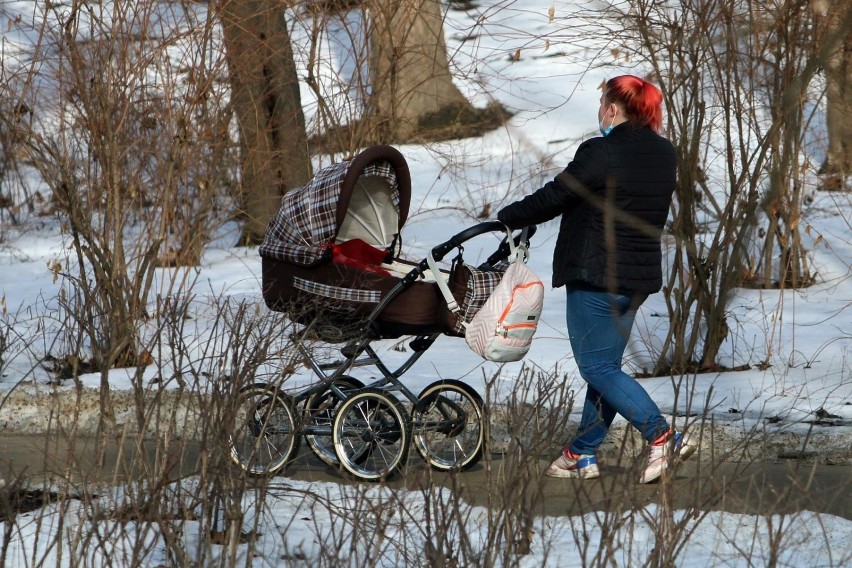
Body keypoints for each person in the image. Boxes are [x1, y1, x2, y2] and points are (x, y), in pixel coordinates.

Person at [496, 75, 696, 483]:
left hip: (596, 274)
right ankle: (580, 454)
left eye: (603, 102)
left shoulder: (601, 150)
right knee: (605, 367)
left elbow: (557, 195)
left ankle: (662, 437)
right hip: (636, 279)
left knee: (597, 367)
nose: (601, 109)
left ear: (611, 108)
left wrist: (508, 216)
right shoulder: (664, 153)